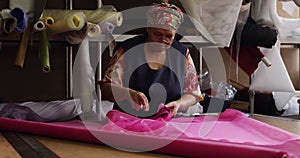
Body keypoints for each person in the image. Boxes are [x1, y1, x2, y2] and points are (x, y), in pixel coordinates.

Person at [98, 2, 203, 118]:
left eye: (169, 36)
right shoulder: (127, 50)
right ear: (149, 28)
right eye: (157, 34)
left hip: (169, 122)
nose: (162, 40)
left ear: (175, 34)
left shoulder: (182, 54)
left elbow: (193, 94)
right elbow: (106, 88)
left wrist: (179, 104)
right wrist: (128, 93)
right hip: (129, 120)